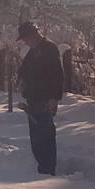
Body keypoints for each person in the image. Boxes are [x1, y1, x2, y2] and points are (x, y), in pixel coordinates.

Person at [16, 20, 65, 175]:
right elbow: (23, 70)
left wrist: (54, 98)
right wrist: (22, 81)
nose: (24, 41)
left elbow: (58, 75)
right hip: (33, 99)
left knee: (45, 136)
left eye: (25, 38)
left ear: (33, 35)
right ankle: (42, 168)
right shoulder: (32, 52)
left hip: (45, 99)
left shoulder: (50, 49)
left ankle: (48, 170)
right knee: (36, 138)